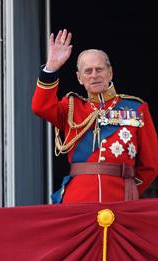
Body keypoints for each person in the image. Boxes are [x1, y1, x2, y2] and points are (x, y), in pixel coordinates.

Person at [32, 29, 158, 203]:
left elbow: (151, 165)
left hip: (120, 199)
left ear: (110, 73)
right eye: (88, 71)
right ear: (79, 78)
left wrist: (130, 190)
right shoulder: (71, 108)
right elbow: (40, 106)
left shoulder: (137, 108)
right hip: (77, 199)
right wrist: (51, 68)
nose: (94, 75)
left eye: (99, 69)